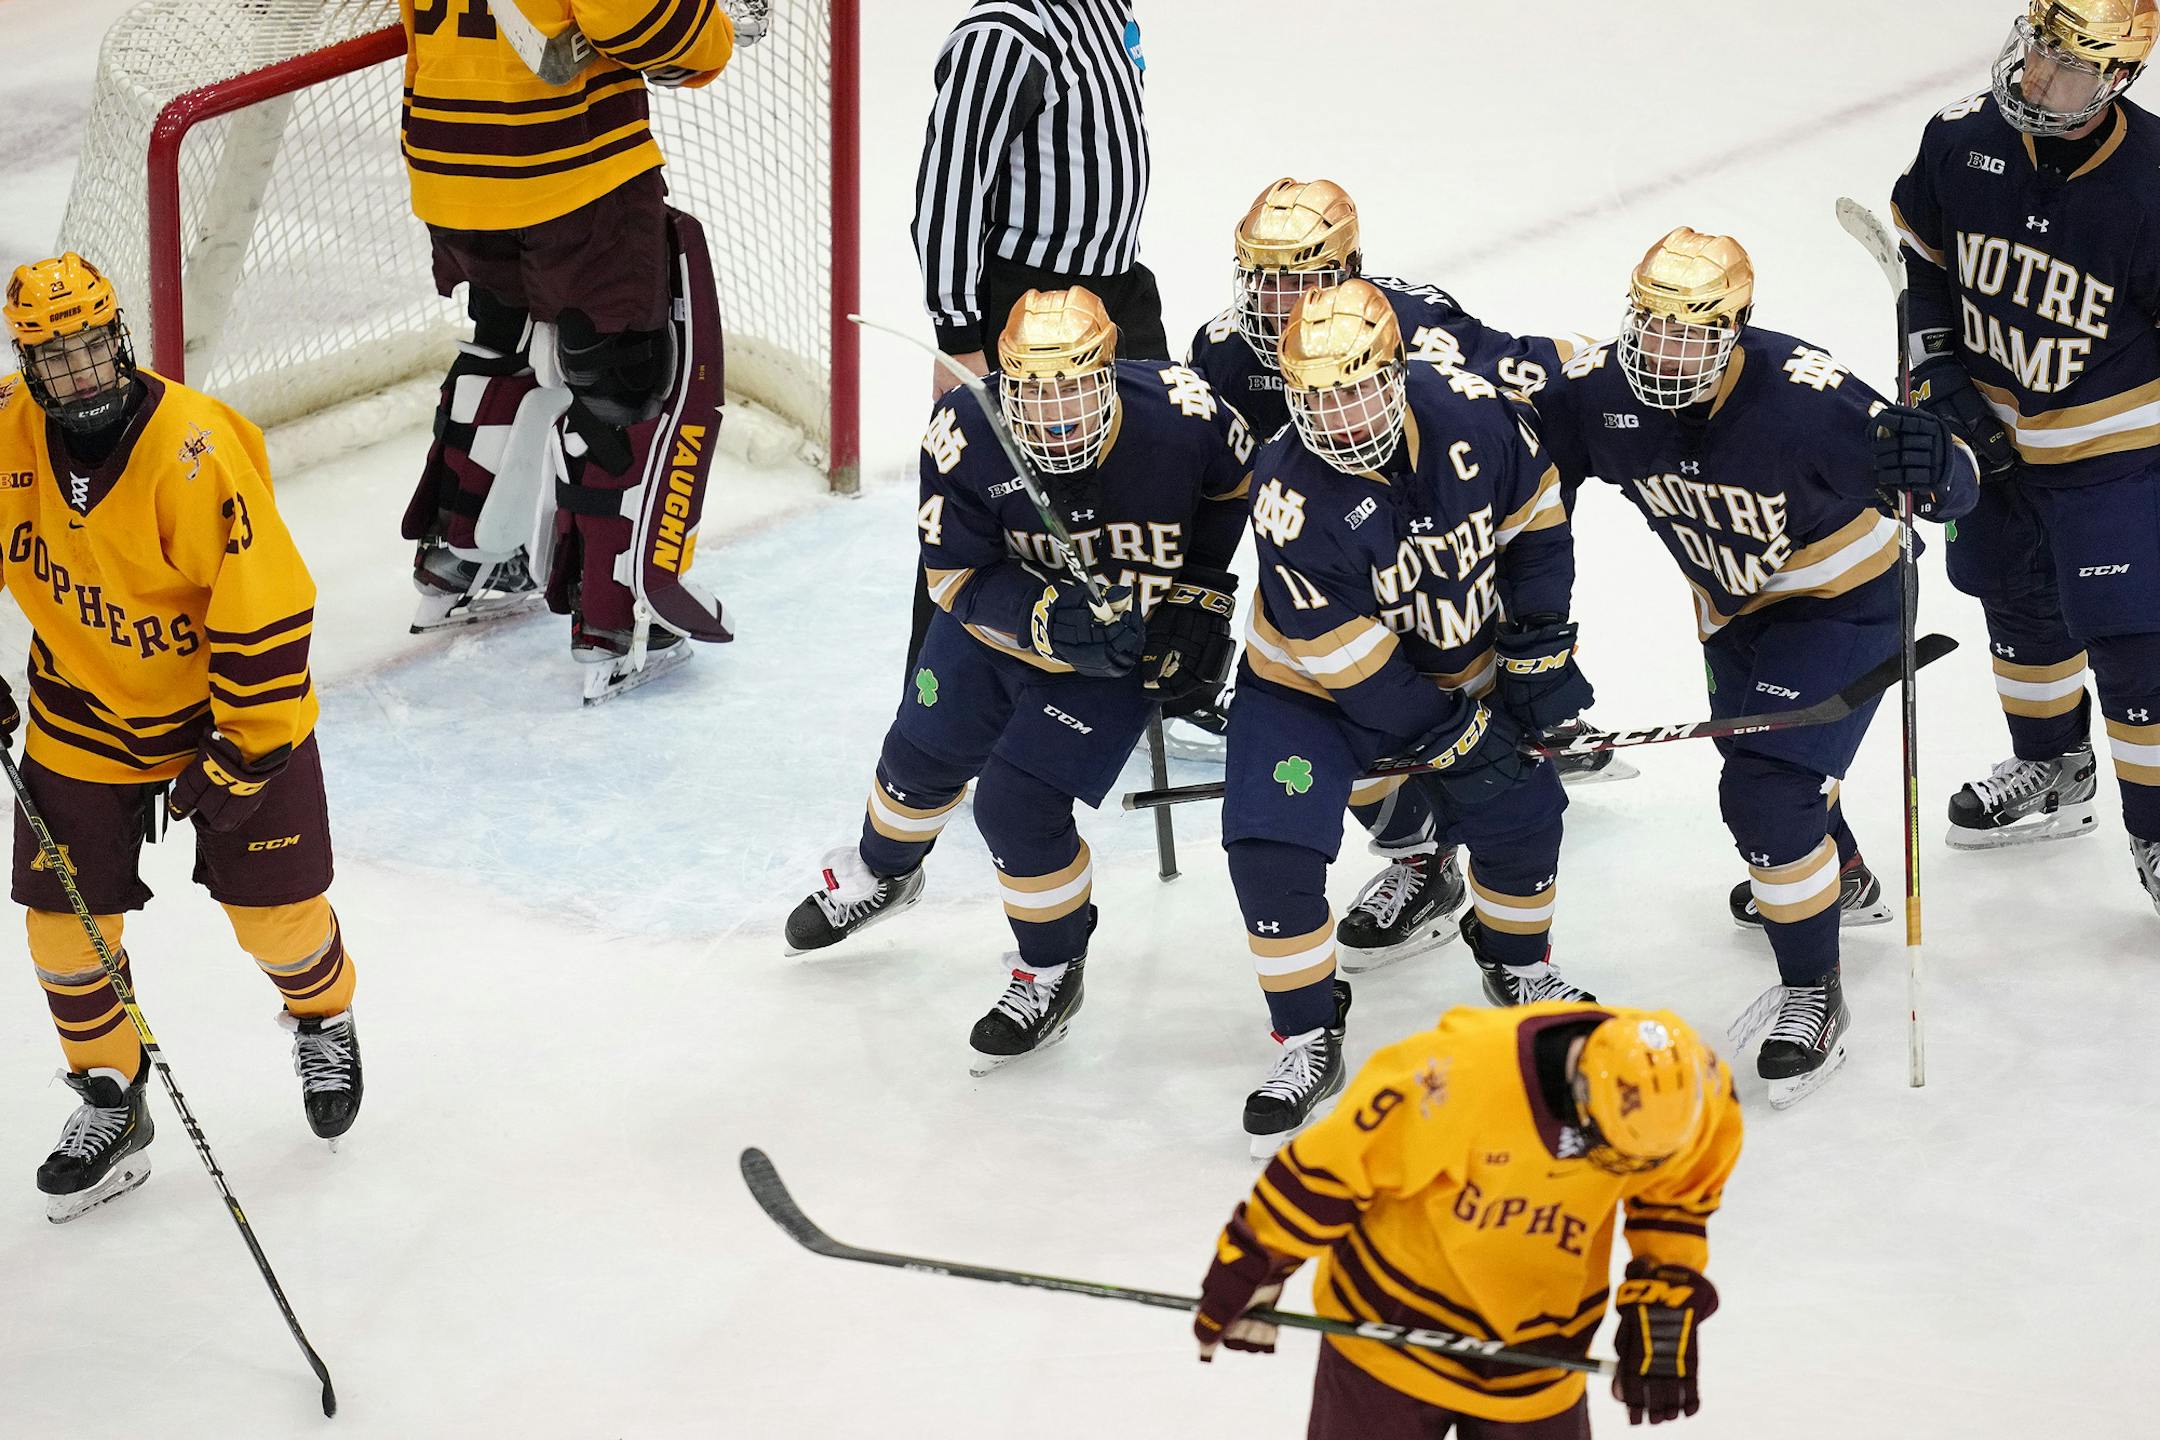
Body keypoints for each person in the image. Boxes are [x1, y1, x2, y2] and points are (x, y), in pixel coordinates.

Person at [1530, 228, 1977, 1105]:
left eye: (1692, 334)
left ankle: (1814, 990)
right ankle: (1838, 877)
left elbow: (1954, 489)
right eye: (1651, 326)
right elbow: (1523, 480)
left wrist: (1938, 459)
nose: (1663, 353)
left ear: (1735, 330)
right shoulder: (1594, 394)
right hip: (1733, 611)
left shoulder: (1806, 399)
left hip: (1846, 600)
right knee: (1769, 777)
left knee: (1765, 794)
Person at [782, 288, 1250, 1072]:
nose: (1057, 413)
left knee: (1016, 807)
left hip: (1117, 653)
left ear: (1108, 373)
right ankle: (884, 874)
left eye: (1073, 387)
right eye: (1034, 391)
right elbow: (952, 576)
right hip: (996, 633)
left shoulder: (1184, 411)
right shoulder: (965, 431)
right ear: (1005, 383)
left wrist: (1203, 591)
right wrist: (1042, 618)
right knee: (916, 761)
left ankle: (1051, 967)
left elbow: (1233, 485)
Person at [1, 255, 362, 1222]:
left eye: (88, 349)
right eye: (52, 358)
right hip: (82, 715)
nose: (75, 374)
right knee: (62, 931)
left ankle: (322, 1015)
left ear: (118, 339)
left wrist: (245, 749)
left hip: (226, 715)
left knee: (276, 919)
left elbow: (268, 610)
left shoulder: (195, 450)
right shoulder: (8, 431)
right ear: (27, 363)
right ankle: (112, 1101)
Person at [1189, 176, 1626, 976]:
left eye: (1302, 275)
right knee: (1353, 712)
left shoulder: (1412, 334)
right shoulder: (1224, 349)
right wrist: (1190, 596)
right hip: (1327, 566)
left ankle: (1528, 718)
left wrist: (1538, 640)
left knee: (1470, 691)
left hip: (1445, 532)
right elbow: (1212, 477)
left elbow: (1536, 380)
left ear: (1350, 268)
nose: (1278, 298)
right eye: (1263, 275)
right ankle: (1421, 860)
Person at [1224, 279, 1595, 1158]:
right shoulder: (1287, 492)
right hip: (1307, 691)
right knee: (1269, 850)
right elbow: (1348, 659)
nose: (1342, 417)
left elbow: (1538, 516)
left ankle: (1516, 961)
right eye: (1318, 398)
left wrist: (1538, 646)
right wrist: (1457, 734)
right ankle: (1307, 1033)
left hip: (1456, 660)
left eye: (1356, 388)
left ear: (1395, 371)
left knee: (1525, 814)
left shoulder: (1473, 413)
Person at [397, 0, 765, 701]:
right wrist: (711, 33)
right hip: (568, 163)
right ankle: (618, 617)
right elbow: (633, 19)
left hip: (451, 156)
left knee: (502, 341)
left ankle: (463, 555)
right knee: (618, 379)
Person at [1890, 0, 2160, 912]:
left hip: (2117, 458)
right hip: (1992, 439)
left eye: (2068, 69)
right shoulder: (1960, 138)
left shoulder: (2153, 181)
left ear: (2118, 79)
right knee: (2017, 600)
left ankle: (2157, 836)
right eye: (2035, 52)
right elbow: (1922, 265)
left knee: (2132, 644)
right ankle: (2054, 767)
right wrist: (1935, 373)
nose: (2035, 80)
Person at [1194, 1004, 1743, 1438]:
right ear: (1581, 1094)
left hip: (1538, 1354)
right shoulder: (1457, 1071)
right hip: (1389, 1332)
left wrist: (1663, 1300)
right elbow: (1330, 1169)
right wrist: (1257, 1262)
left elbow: (1677, 1194)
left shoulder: (1700, 1093)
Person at [907, 1, 1185, 734]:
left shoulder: (1102, 9)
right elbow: (948, 188)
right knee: (988, 501)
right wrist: (958, 333)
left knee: (1151, 484)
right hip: (1023, 308)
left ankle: (1149, 687)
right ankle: (943, 709)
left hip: (1117, 293)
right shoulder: (1005, 33)